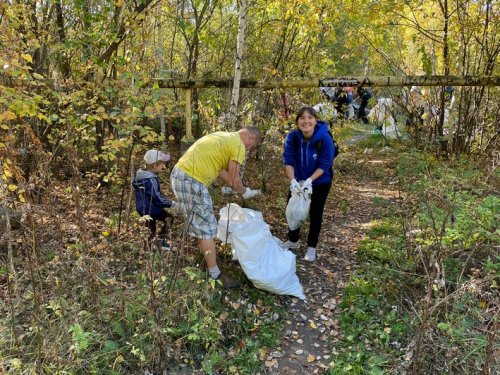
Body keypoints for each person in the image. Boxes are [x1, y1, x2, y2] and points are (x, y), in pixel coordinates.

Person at [170, 127, 262, 288]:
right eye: (251, 147)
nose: (248, 149)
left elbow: (221, 170)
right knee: (207, 227)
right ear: (251, 138)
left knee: (201, 223)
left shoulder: (223, 137)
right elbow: (234, 180)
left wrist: (238, 187)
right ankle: (215, 274)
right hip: (191, 180)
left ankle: (206, 256)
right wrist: (245, 192)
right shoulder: (239, 146)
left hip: (180, 175)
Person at [281, 107, 335, 262]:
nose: (306, 121)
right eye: (302, 118)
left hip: (320, 181)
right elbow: (288, 160)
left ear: (315, 120)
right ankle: (293, 240)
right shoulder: (293, 137)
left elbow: (325, 164)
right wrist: (293, 180)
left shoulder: (324, 138)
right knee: (292, 209)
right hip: (298, 181)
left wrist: (310, 181)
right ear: (297, 121)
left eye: (310, 118)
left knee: (315, 213)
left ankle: (312, 246)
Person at [133, 149, 177, 250]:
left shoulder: (140, 175)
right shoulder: (151, 180)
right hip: (152, 208)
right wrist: (172, 204)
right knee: (169, 218)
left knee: (150, 226)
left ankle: (148, 246)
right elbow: (157, 198)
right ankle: (162, 241)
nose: (163, 166)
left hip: (142, 208)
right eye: (161, 164)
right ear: (154, 166)